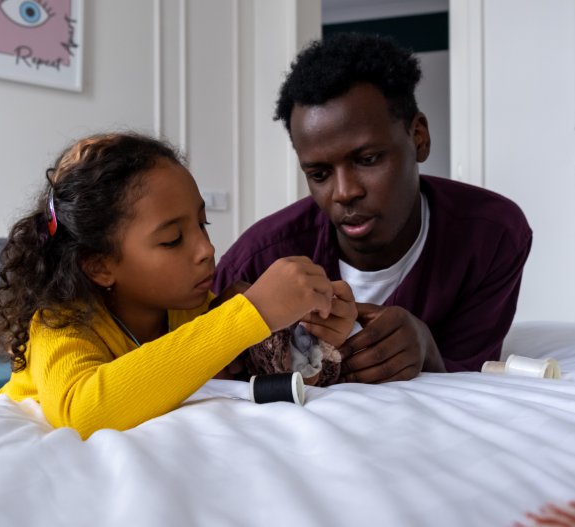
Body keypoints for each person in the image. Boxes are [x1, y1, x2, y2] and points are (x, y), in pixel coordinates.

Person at [0, 132, 355, 439]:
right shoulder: (59, 323)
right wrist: (249, 315)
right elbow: (84, 413)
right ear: (99, 264)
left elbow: (262, 372)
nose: (207, 250)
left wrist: (312, 338)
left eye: (203, 224)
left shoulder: (191, 307)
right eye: (172, 240)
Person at [214, 33, 533, 381]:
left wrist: (427, 350)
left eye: (367, 159)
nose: (344, 193)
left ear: (419, 138)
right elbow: (210, 374)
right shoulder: (258, 260)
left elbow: (475, 376)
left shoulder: (491, 235)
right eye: (319, 174)